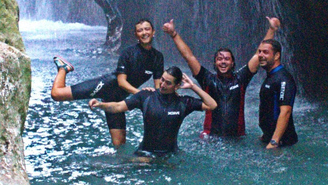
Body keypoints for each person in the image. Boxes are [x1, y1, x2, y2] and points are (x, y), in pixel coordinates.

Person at [50, 19, 164, 146]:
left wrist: (163, 101)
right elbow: (121, 82)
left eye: (147, 29)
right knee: (57, 94)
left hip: (117, 99)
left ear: (153, 32)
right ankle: (63, 68)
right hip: (107, 86)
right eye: (140, 30)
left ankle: (119, 165)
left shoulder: (157, 57)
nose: (144, 33)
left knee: (119, 143)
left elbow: (158, 87)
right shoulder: (129, 53)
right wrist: (140, 93)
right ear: (136, 35)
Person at [162, 17, 280, 137]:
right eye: (219, 59)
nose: (223, 62)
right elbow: (189, 57)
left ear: (233, 63)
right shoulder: (207, 79)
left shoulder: (241, 79)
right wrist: (174, 34)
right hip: (211, 137)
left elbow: (257, 56)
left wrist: (272, 29)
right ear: (215, 63)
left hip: (237, 138)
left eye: (227, 59)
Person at [89, 66, 217, 156]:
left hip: (170, 156)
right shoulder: (146, 96)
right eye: (162, 79)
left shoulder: (184, 103)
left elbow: (212, 105)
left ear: (177, 86)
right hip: (145, 154)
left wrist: (193, 87)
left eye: (168, 83)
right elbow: (118, 107)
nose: (162, 85)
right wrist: (100, 104)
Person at [257, 38, 298, 148]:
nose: (260, 55)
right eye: (259, 51)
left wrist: (274, 141)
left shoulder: (283, 79)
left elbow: (286, 111)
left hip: (282, 143)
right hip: (269, 138)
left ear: (276, 56)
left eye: (265, 52)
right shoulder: (272, 76)